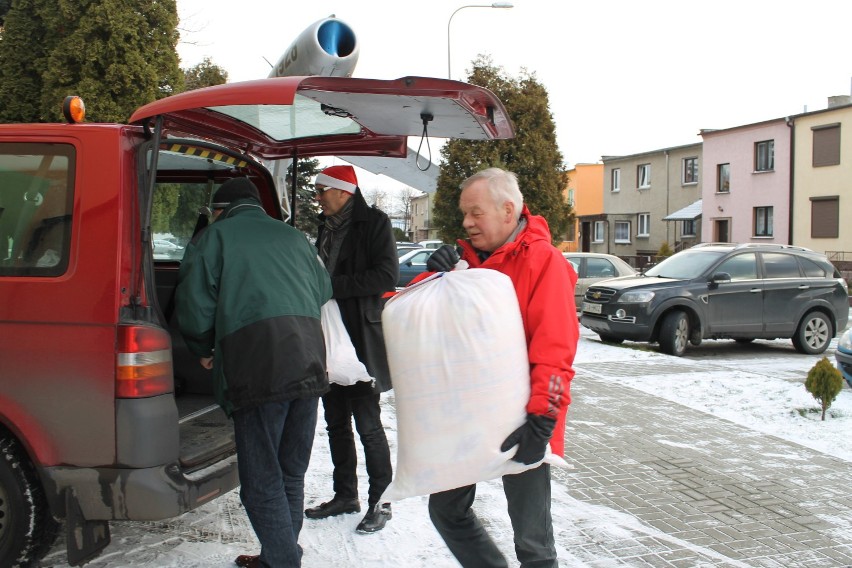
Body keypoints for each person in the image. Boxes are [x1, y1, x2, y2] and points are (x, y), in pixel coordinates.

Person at [425, 167, 579, 568]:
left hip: (524, 416)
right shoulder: (463, 263)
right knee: (445, 509)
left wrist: (543, 418)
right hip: (468, 413)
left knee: (532, 540)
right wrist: (432, 274)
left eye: (475, 212)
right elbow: (415, 315)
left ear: (508, 210)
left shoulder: (544, 262)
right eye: (464, 214)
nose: (466, 222)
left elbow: (557, 347)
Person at [175, 178, 332, 568]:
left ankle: (282, 561)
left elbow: (195, 307)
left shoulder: (215, 237)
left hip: (257, 364)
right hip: (310, 359)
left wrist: (204, 348)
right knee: (289, 474)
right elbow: (324, 288)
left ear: (219, 209)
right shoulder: (296, 238)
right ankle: (279, 554)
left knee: (261, 482)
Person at [304, 165, 398, 533]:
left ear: (342, 191)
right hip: (328, 337)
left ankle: (382, 501)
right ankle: (346, 495)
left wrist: (331, 286)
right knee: (335, 424)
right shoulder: (325, 227)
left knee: (369, 426)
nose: (317, 198)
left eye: (321, 191)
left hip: (358, 339)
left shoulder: (374, 223)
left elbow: (385, 276)